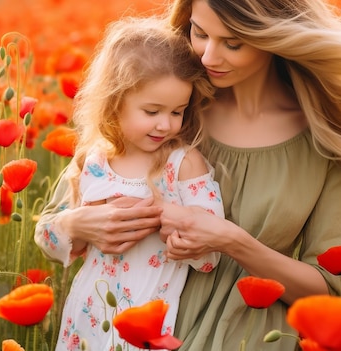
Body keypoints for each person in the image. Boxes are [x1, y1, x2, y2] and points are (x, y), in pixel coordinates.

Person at [35, 0, 341, 349]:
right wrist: (81, 224)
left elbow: (325, 289)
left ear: (273, 38)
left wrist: (232, 241)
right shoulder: (170, 107)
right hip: (137, 326)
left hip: (249, 336)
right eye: (200, 32)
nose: (208, 57)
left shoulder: (331, 139)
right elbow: (54, 222)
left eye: (233, 43)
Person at [36, 16, 224, 351]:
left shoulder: (183, 165)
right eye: (152, 111)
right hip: (86, 318)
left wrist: (182, 238)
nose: (166, 125)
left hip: (148, 324)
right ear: (115, 102)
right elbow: (48, 241)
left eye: (177, 111)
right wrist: (79, 226)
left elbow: (211, 258)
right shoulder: (92, 163)